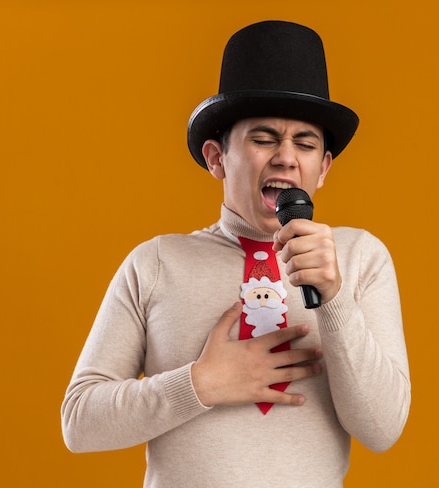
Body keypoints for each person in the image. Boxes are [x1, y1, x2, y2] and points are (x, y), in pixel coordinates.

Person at [61, 20, 410, 487]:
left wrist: (335, 298)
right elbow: (79, 422)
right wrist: (198, 384)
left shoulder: (361, 258)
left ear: (322, 168)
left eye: (305, 144)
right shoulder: (155, 263)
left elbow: (382, 429)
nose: (287, 157)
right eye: (264, 138)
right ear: (216, 157)